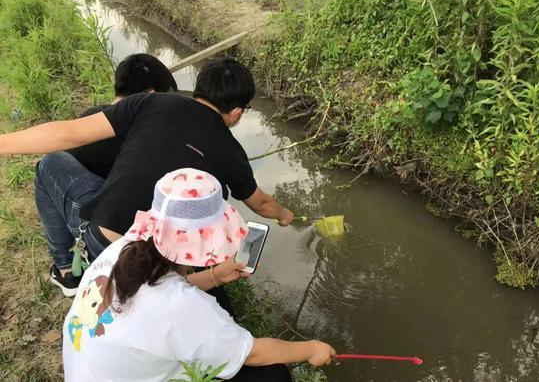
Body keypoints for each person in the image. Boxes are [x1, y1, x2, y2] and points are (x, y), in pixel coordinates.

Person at [0, 57, 294, 297]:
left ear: (199, 89)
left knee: (51, 163)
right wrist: (284, 215)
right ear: (238, 112)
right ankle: (88, 272)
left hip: (107, 243)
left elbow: (69, 134)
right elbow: (262, 204)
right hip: (164, 263)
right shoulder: (233, 152)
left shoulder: (149, 102)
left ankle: (67, 270)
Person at [62, 168, 335, 382]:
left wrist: (214, 276)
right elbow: (251, 353)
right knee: (271, 376)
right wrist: (310, 349)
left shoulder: (123, 250)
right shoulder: (185, 308)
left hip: (87, 372)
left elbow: (152, 300)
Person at [32, 53, 178, 296]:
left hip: (99, 229)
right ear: (152, 95)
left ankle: (67, 269)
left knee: (48, 165)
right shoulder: (157, 135)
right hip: (141, 242)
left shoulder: (89, 119)